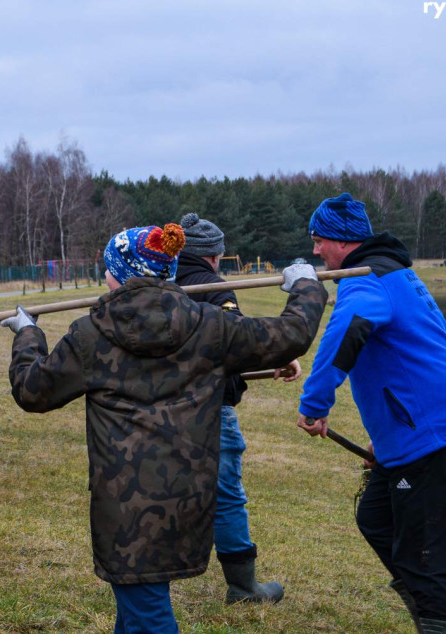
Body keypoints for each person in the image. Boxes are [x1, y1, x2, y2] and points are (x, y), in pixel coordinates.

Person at [2, 223, 327, 633]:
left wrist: (27, 334)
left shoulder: (90, 336)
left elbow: (32, 391)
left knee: (148, 614)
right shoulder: (211, 327)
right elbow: (291, 334)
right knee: (138, 606)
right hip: (186, 496)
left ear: (115, 273)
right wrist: (306, 286)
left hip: (125, 508)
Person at [295, 193, 446, 634]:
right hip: (424, 427)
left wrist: (314, 404)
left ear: (340, 241)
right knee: (377, 518)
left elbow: (344, 334)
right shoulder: (394, 273)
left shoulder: (366, 281)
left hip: (434, 433)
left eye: (318, 240)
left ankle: (442, 620)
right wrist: (382, 439)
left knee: (424, 555)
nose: (315, 251)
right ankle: (428, 611)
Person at [175, 212, 299, 604]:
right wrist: (278, 355)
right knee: (226, 493)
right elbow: (236, 341)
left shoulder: (160, 284)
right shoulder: (213, 286)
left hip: (164, 408)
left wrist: (269, 365)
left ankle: (154, 579)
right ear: (212, 256)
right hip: (212, 408)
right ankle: (244, 587)